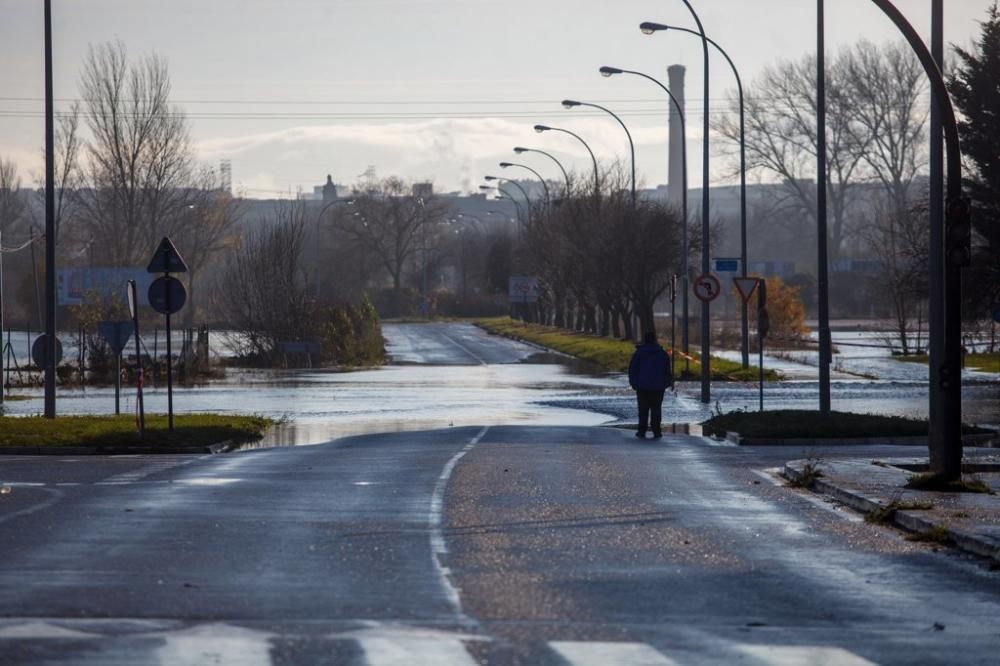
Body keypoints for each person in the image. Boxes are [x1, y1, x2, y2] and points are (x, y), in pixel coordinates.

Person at [628, 331, 673, 439]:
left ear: (645, 339)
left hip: (642, 386)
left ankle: (641, 431)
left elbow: (632, 369)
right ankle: (656, 431)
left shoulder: (639, 353)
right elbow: (667, 370)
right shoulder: (662, 353)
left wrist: (634, 383)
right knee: (656, 409)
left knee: (643, 409)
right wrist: (667, 383)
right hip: (658, 387)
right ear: (654, 340)